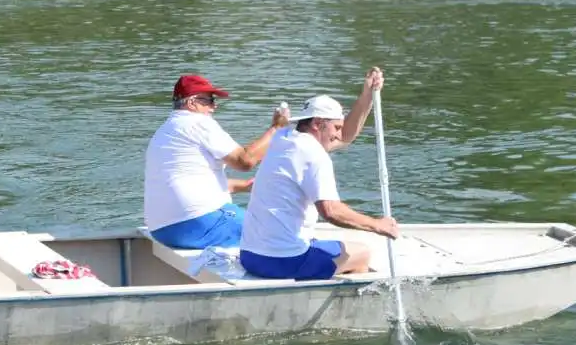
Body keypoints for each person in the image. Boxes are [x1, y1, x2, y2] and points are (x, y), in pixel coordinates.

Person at [238, 95, 399, 281]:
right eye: (336, 128)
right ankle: (341, 298)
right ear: (317, 124)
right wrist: (377, 224)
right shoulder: (315, 154)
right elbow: (331, 211)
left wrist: (367, 94)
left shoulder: (282, 137)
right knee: (362, 253)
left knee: (322, 244)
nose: (338, 135)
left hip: (249, 256)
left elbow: (346, 137)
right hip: (283, 261)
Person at [143, 73, 290, 250]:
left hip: (163, 231)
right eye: (209, 100)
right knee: (281, 231)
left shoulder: (164, 131)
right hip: (199, 223)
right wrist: (277, 128)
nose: (214, 106)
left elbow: (190, 182)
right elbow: (244, 161)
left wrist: (246, 186)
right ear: (192, 103)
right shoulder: (197, 122)